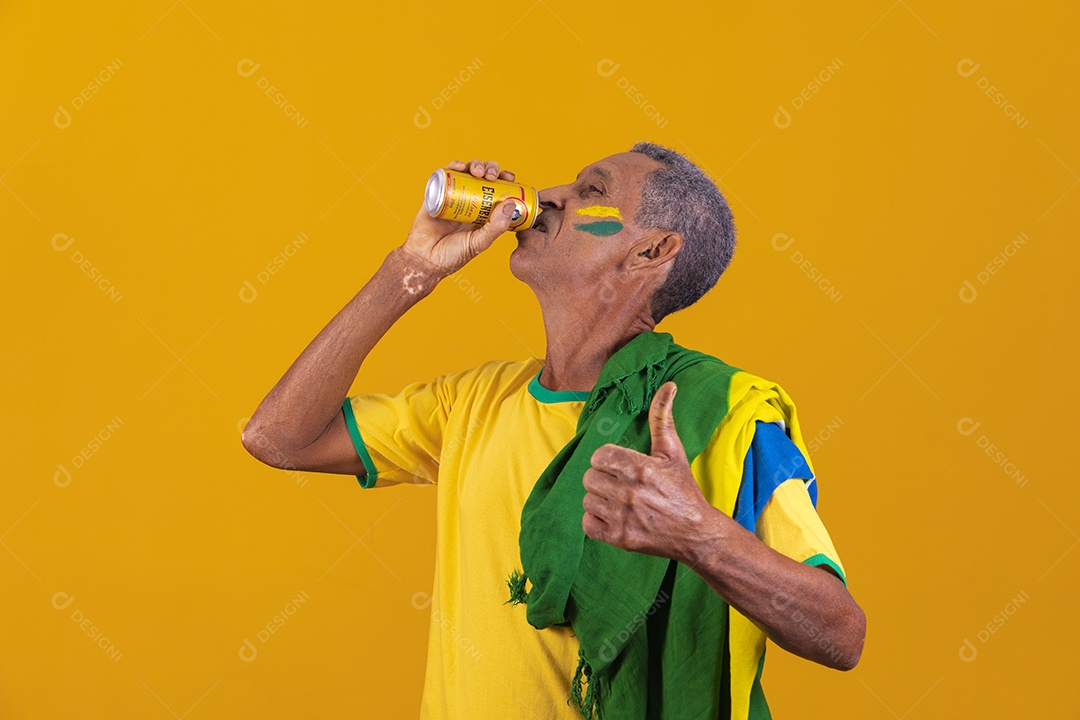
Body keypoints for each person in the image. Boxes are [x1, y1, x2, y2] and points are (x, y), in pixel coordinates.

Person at [243, 142, 866, 719]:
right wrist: (411, 268)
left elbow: (840, 633)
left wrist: (699, 535)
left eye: (591, 190)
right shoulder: (476, 401)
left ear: (652, 252)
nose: (552, 195)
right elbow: (278, 438)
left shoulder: (722, 414)